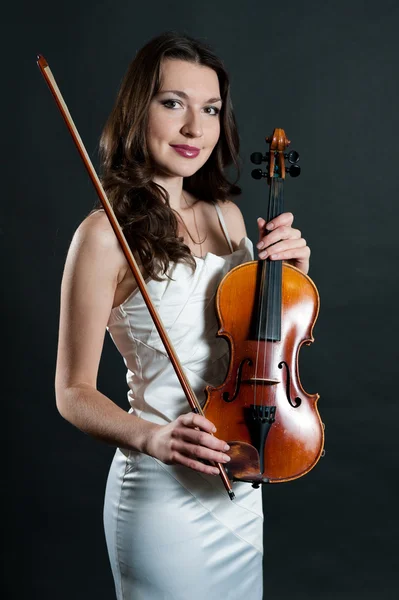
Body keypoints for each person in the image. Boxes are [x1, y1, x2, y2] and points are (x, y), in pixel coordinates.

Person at [55, 31, 310, 600]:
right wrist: (152, 438)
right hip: (161, 496)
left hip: (240, 484)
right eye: (173, 103)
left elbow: (260, 348)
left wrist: (292, 277)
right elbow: (71, 392)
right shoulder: (103, 236)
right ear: (136, 110)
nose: (195, 128)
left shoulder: (229, 219)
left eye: (210, 109)